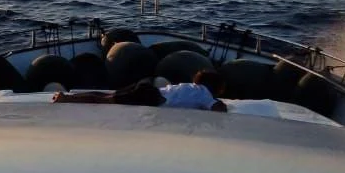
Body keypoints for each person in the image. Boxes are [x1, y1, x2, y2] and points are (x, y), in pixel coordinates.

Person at [53, 71, 226, 111]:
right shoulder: (205, 94)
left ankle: (68, 96)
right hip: (150, 97)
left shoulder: (192, 87)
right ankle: (65, 99)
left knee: (106, 96)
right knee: (105, 101)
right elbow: (219, 108)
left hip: (148, 87)